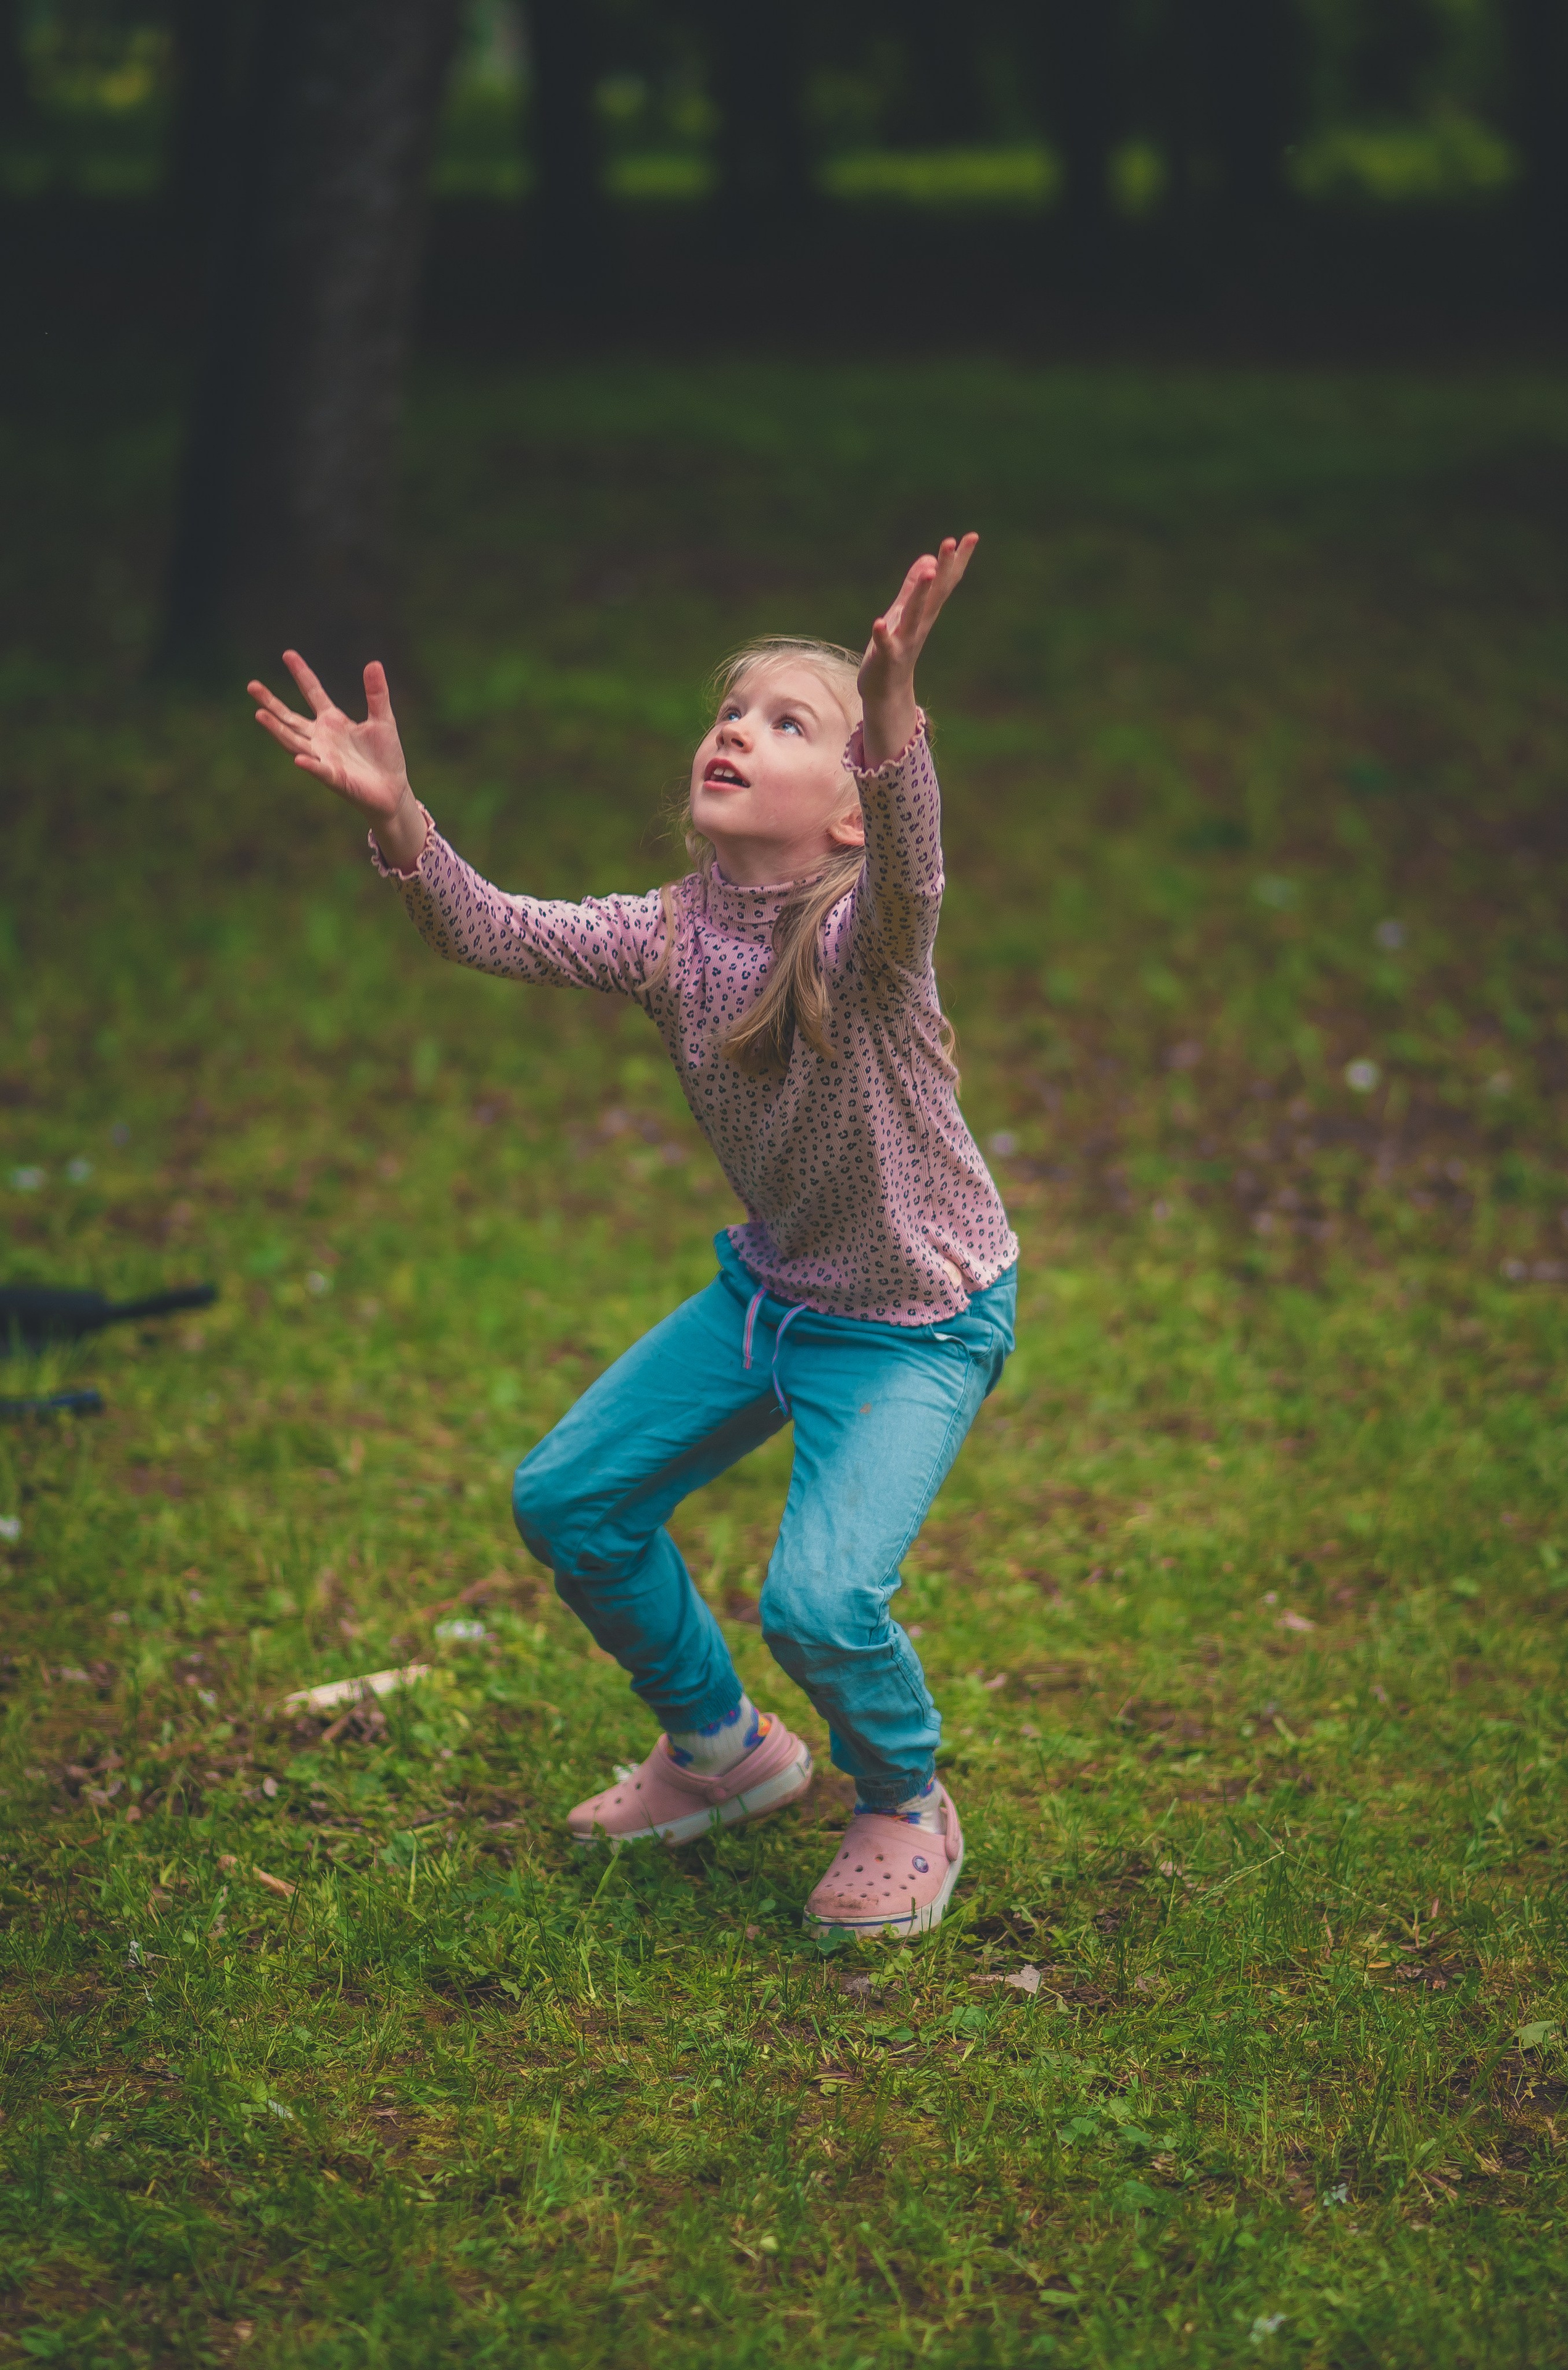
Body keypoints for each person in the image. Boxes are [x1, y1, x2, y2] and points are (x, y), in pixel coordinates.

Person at [247, 536, 1018, 1939]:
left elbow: (914, 871)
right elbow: (487, 928)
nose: (737, 729)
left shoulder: (864, 943)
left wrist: (892, 710)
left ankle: (902, 1796)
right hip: (772, 1292)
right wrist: (401, 819)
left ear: (849, 810)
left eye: (791, 723)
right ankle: (724, 1752)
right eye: (733, 712)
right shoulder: (664, 937)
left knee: (823, 1599)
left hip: (914, 1318)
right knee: (569, 1501)